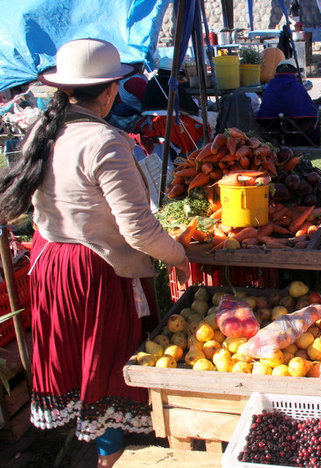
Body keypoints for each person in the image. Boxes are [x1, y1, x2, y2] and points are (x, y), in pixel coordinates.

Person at [0, 38, 190, 468]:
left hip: (50, 261)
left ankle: (100, 442)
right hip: (94, 269)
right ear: (109, 91)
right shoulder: (105, 141)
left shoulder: (46, 130)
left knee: (79, 355)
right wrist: (179, 255)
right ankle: (111, 454)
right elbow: (139, 230)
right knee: (103, 359)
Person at [137, 57, 205, 155]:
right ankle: (189, 155)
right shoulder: (174, 84)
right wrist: (196, 102)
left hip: (150, 122)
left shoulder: (152, 82)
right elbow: (191, 108)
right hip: (171, 124)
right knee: (202, 129)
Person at [258, 59, 319, 144]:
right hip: (295, 126)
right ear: (294, 73)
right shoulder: (297, 86)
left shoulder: (271, 85)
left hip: (271, 125)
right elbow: (310, 110)